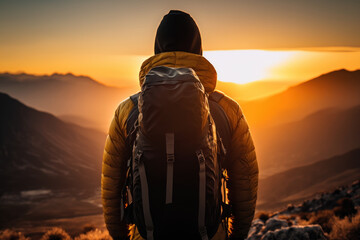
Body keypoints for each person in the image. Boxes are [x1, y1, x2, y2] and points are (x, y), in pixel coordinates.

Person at [101, 10, 258, 240]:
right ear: (199, 51)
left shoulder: (128, 111)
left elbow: (111, 187)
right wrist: (235, 235)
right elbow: (245, 183)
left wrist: (122, 237)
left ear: (157, 50)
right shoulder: (227, 110)